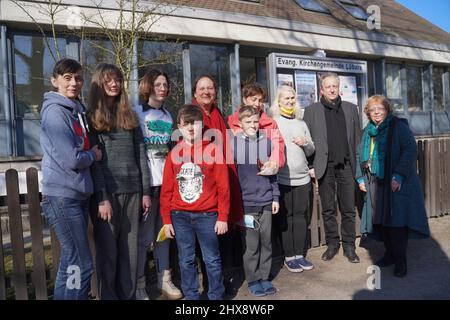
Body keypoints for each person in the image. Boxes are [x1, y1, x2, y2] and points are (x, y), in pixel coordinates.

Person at [87, 63, 151, 300]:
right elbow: (95, 163)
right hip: (108, 196)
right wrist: (102, 198)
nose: (114, 84)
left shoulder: (130, 116)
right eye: (108, 81)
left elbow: (140, 154)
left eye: (117, 80)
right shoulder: (91, 117)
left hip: (134, 191)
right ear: (99, 84)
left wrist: (145, 192)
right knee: (109, 253)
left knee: (130, 253)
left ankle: (129, 295)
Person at [40, 58, 102, 299]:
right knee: (82, 263)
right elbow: (71, 159)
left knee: (70, 259)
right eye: (67, 78)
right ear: (55, 81)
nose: (74, 83)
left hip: (75, 195)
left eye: (78, 78)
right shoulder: (56, 112)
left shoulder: (77, 111)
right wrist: (93, 155)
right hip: (64, 197)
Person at [160, 105, 229, 300]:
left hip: (208, 215)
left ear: (202, 126)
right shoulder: (174, 154)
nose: (191, 128)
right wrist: (166, 219)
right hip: (180, 216)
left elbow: (223, 187)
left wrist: (222, 216)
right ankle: (191, 297)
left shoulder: (213, 151)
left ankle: (216, 295)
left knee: (212, 259)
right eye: (186, 124)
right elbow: (167, 189)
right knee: (185, 260)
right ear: (179, 127)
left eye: (195, 123)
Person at [356, 95, 430, 277]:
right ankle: (389, 255)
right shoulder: (368, 130)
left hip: (395, 182)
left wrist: (398, 175)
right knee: (381, 223)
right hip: (374, 181)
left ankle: (400, 262)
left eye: (380, 108)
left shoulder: (398, 127)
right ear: (368, 113)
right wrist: (359, 178)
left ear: (387, 110)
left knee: (396, 223)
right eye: (372, 110)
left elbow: (410, 150)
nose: (376, 112)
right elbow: (359, 153)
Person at [191, 75, 243, 293]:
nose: (206, 92)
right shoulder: (192, 114)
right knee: (208, 240)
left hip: (224, 178)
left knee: (221, 235)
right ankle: (210, 285)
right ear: (195, 93)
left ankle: (219, 282)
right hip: (205, 184)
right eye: (202, 88)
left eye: (210, 88)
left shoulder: (217, 112)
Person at [134, 69, 182, 300]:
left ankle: (165, 281)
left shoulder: (168, 117)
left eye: (165, 84)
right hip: (146, 186)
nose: (163, 88)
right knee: (143, 239)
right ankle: (139, 284)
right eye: (158, 84)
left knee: (163, 235)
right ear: (148, 86)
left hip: (167, 187)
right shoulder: (137, 113)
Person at [303, 72, 361, 263]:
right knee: (328, 209)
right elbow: (307, 141)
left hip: (346, 166)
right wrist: (310, 165)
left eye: (334, 85)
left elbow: (357, 141)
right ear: (322, 89)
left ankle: (349, 246)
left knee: (348, 209)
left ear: (339, 87)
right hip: (324, 167)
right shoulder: (311, 111)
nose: (331, 89)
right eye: (328, 86)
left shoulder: (352, 109)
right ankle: (332, 244)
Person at [232, 106, 280, 297]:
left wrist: (275, 196)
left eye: (254, 121)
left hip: (266, 200)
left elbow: (273, 172)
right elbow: (232, 176)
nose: (252, 125)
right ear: (240, 124)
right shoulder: (234, 144)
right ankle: (253, 279)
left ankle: (265, 277)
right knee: (251, 245)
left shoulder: (266, 143)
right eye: (247, 122)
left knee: (266, 242)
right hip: (247, 203)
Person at [269, 85, 315, 272]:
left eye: (292, 98)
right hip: (283, 178)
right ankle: (289, 257)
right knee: (286, 218)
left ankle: (299, 255)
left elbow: (312, 149)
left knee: (300, 217)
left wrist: (305, 143)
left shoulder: (301, 123)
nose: (289, 101)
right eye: (286, 98)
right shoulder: (274, 122)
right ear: (278, 101)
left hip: (302, 178)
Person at [227, 83, 286, 170]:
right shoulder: (231, 121)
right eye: (254, 99)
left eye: (260, 100)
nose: (257, 104)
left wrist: (273, 163)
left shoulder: (270, 123)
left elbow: (278, 145)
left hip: (266, 172)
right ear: (244, 100)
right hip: (241, 174)